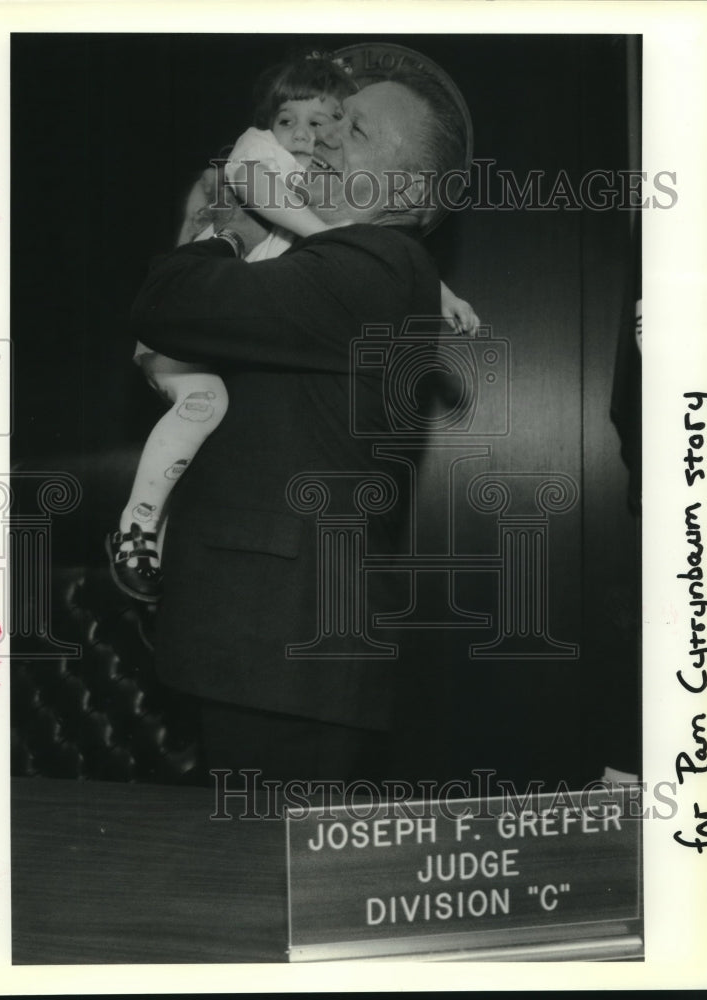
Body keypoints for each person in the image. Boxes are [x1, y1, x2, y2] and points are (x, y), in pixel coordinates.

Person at [129, 64, 475, 782]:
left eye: (352, 129)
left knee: (266, 881)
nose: (319, 139)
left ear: (406, 191)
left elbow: (171, 303)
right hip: (265, 650)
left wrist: (222, 225)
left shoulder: (378, 260)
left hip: (284, 652)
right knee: (248, 882)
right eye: (321, 120)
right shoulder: (324, 261)